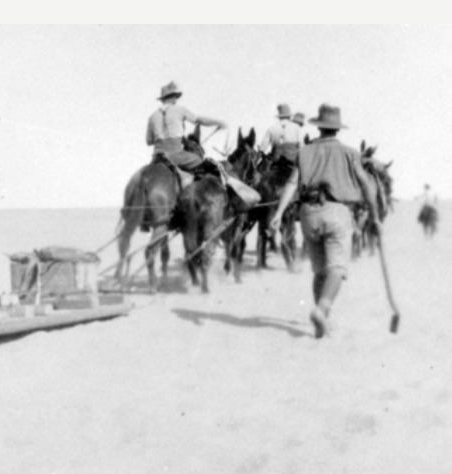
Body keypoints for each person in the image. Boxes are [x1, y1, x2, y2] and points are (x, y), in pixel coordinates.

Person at [270, 103, 381, 339]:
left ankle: (323, 322)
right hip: (337, 212)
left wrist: (279, 213)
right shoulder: (350, 153)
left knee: (320, 271)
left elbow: (292, 183)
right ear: (337, 129)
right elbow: (366, 185)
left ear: (318, 127)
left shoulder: (304, 152)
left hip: (308, 214)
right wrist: (375, 214)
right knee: (336, 269)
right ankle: (322, 310)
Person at [146, 81, 252, 195]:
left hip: (156, 158)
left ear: (162, 99)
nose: (176, 99)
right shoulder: (180, 110)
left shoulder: (152, 117)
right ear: (173, 97)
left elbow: (149, 141)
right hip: (175, 155)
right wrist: (218, 122)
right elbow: (199, 120)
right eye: (175, 97)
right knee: (200, 162)